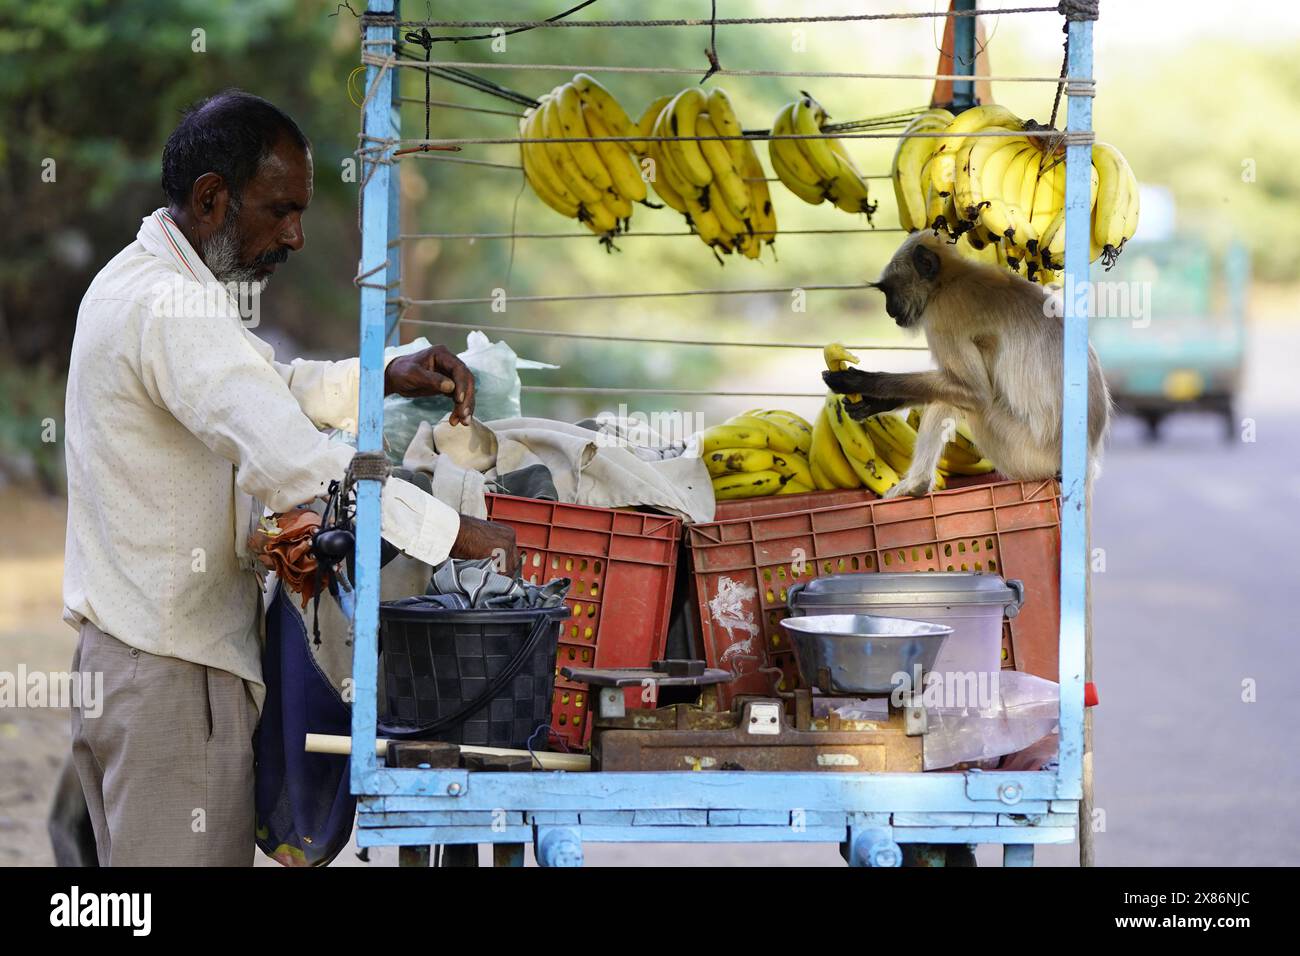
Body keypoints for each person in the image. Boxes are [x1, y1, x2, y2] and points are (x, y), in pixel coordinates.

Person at [61, 89, 514, 866]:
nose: (296, 236)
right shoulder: (170, 308)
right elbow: (298, 466)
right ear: (212, 198)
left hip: (134, 664)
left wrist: (379, 376)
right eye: (280, 210)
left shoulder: (143, 281)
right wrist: (457, 535)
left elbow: (259, 391)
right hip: (172, 678)